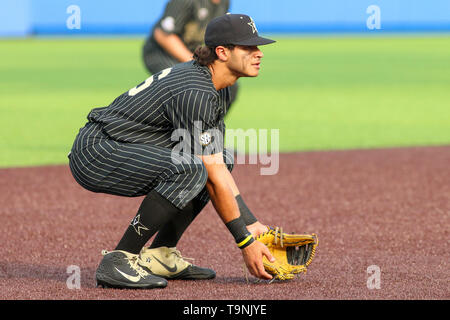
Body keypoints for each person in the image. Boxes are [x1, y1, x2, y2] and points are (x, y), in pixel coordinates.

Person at [68, 13, 276, 289]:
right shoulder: (195, 91)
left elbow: (216, 163)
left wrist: (252, 224)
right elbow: (210, 173)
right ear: (222, 52)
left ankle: (160, 254)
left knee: (220, 158)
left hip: (124, 143)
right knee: (189, 168)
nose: (259, 53)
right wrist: (244, 241)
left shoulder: (219, 86)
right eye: (249, 47)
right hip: (97, 150)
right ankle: (119, 260)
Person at [142, 0, 239, 107]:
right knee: (186, 87)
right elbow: (163, 35)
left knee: (228, 86)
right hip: (161, 53)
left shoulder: (224, 3)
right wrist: (194, 62)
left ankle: (210, 122)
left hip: (193, 55)